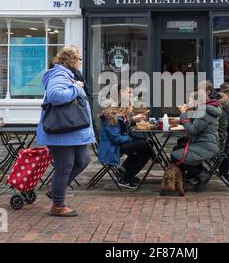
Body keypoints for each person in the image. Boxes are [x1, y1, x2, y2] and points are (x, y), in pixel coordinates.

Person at [37, 46, 95, 217]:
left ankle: (55, 189)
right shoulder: (59, 75)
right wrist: (76, 87)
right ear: (71, 60)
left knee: (83, 160)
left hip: (73, 130)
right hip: (62, 130)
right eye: (79, 60)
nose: (80, 63)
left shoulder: (69, 74)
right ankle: (57, 205)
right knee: (65, 166)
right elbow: (55, 96)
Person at [170, 89, 221, 192]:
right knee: (178, 148)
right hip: (204, 143)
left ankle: (202, 175)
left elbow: (192, 130)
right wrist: (184, 117)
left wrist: (184, 115)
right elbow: (195, 122)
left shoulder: (204, 113)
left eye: (190, 100)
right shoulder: (205, 110)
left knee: (175, 155)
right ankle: (184, 179)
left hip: (207, 146)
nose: (188, 103)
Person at [98, 105, 156, 189]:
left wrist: (132, 120)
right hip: (111, 148)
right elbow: (116, 139)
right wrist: (130, 138)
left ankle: (126, 172)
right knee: (146, 143)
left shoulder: (121, 117)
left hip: (117, 145)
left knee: (145, 150)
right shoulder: (112, 118)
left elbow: (124, 131)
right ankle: (126, 179)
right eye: (131, 106)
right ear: (125, 108)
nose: (132, 107)